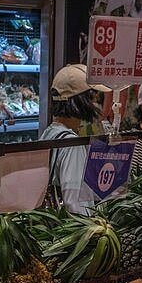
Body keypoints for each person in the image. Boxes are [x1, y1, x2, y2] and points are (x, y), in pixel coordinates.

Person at [40, 64, 108, 214]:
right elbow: (77, 204)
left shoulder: (50, 132)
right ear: (80, 101)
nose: (96, 101)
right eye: (93, 96)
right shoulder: (72, 144)